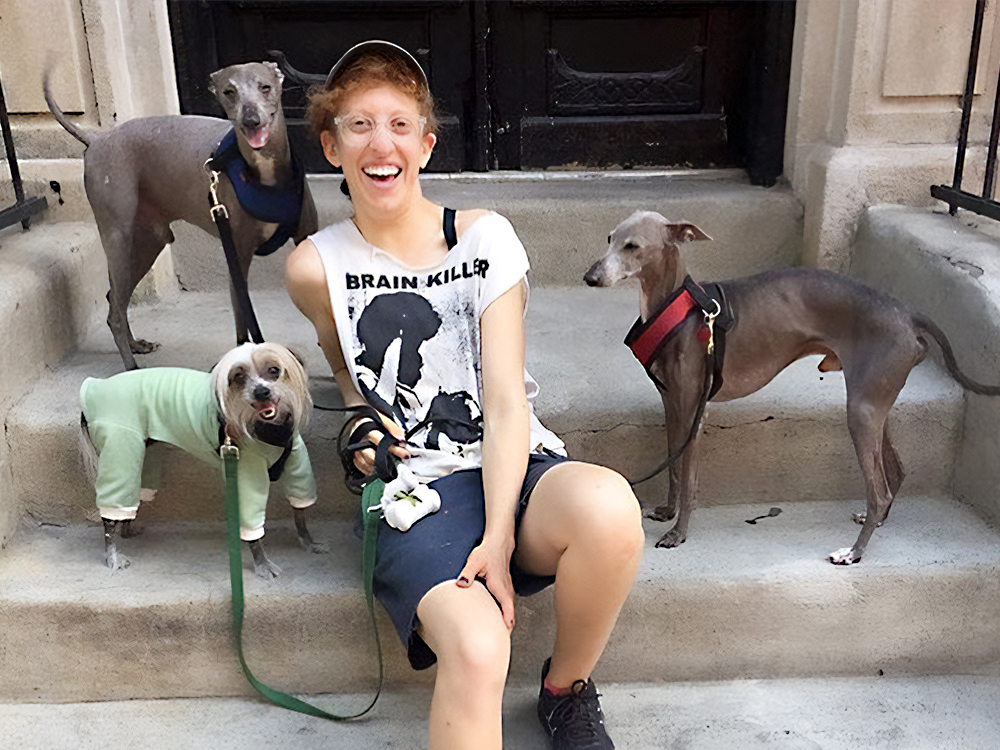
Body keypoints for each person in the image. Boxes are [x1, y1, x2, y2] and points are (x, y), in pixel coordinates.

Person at [285, 40, 645, 750]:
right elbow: (349, 378)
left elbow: (507, 402)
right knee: (479, 648)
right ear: (330, 146)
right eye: (358, 124)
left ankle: (565, 691)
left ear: (425, 143)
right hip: (417, 490)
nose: (378, 143)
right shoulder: (312, 267)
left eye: (397, 123)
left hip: (514, 465)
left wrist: (500, 538)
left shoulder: (483, 240)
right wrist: (362, 433)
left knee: (609, 508)